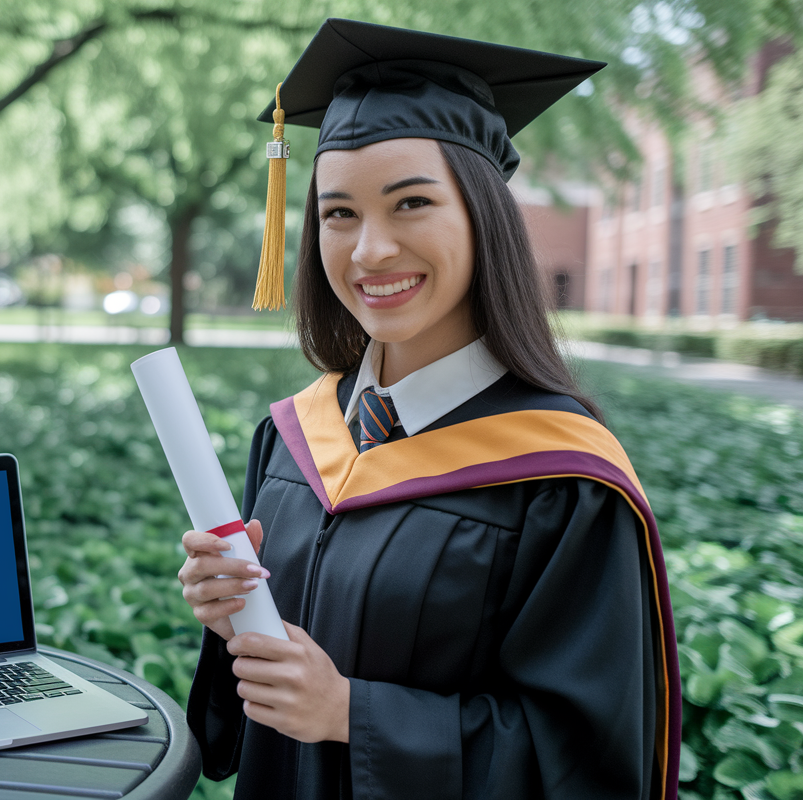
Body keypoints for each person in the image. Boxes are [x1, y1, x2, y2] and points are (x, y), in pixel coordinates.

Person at [177, 19, 680, 800]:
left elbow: (587, 761)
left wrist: (353, 714)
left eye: (410, 202)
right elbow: (247, 724)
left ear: (484, 217)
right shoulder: (295, 435)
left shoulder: (563, 481)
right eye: (339, 213)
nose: (369, 250)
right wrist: (236, 622)